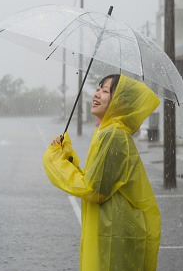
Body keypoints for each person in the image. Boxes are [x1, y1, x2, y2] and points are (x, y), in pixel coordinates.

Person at [43, 73, 161, 271]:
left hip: (115, 232)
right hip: (112, 228)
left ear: (119, 103)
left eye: (105, 91)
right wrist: (68, 159)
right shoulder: (108, 132)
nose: (96, 94)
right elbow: (98, 179)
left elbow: (94, 189)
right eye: (97, 89)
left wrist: (55, 161)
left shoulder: (113, 134)